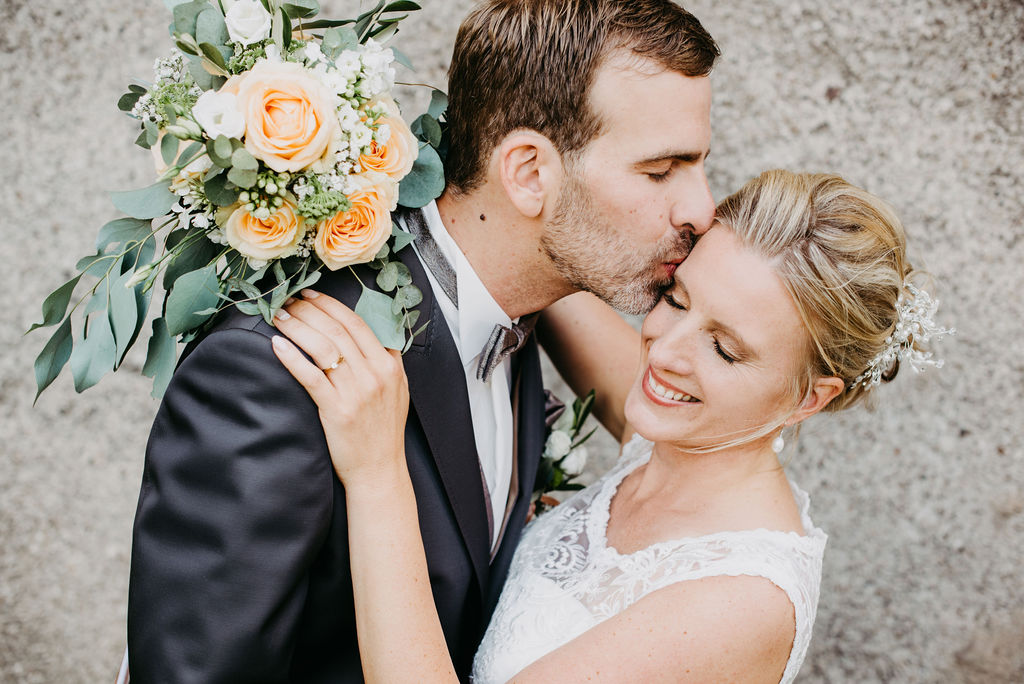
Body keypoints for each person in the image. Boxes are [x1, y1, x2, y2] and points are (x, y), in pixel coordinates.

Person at [126, 1, 719, 681]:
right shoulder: (279, 370)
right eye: (661, 169)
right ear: (528, 173)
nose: (701, 209)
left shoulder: (530, 303)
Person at [272, 170, 947, 682]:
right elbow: (526, 264)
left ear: (810, 398)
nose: (665, 347)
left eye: (725, 348)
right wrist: (376, 167)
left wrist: (376, 471)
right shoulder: (670, 432)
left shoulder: (739, 599)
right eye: (676, 298)